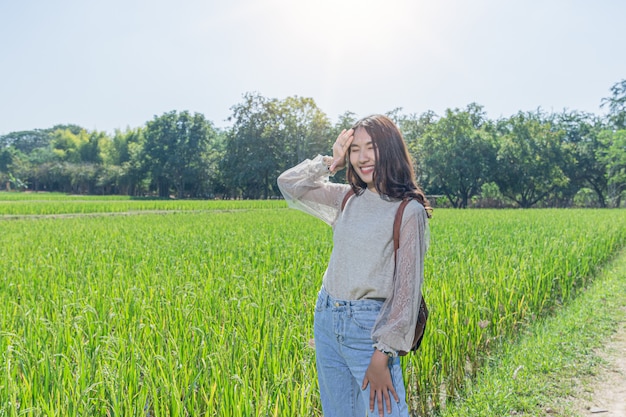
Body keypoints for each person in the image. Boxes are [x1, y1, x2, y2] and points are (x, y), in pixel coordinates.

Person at [277, 114, 430, 417]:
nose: (362, 158)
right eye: (355, 149)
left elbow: (406, 291)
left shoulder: (408, 210)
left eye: (371, 147)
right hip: (326, 319)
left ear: (389, 149)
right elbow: (288, 185)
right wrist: (329, 162)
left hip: (368, 329)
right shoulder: (346, 197)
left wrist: (382, 355)